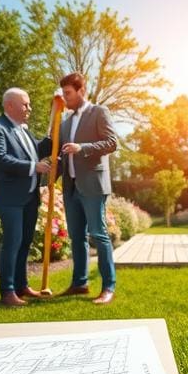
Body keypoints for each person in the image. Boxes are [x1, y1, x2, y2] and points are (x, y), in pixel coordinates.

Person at [0, 88, 52, 306]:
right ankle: (7, 292)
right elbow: (2, 160)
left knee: (24, 243)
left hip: (30, 197)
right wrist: (35, 167)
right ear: (10, 105)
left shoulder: (24, 131)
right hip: (9, 197)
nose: (29, 108)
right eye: (25, 104)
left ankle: (22, 286)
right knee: (12, 242)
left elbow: (36, 151)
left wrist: (55, 135)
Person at [57, 72, 118, 304]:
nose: (66, 98)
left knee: (98, 235)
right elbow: (60, 152)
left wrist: (82, 147)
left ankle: (108, 287)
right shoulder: (65, 121)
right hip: (71, 187)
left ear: (82, 90)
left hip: (93, 184)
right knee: (76, 237)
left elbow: (112, 143)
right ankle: (79, 283)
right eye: (63, 94)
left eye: (69, 93)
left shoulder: (99, 113)